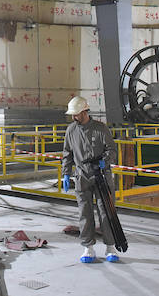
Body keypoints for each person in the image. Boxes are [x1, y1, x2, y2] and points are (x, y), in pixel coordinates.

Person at [61, 95, 119, 263]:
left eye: (76, 114)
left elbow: (112, 150)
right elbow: (67, 154)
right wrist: (66, 173)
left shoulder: (101, 129)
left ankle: (110, 247)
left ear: (85, 112)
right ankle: (88, 248)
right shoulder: (71, 131)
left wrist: (105, 161)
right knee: (84, 213)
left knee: (106, 212)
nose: (73, 117)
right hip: (82, 177)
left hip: (101, 176)